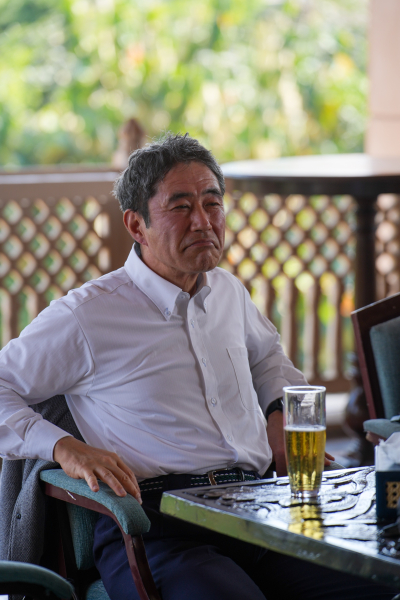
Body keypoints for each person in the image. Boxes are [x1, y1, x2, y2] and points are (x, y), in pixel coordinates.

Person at [0, 134, 396, 600]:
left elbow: (268, 357)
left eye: (212, 203)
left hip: (260, 509)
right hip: (160, 526)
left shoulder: (228, 293)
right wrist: (65, 448)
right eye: (182, 207)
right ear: (136, 224)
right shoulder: (88, 315)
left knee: (381, 580)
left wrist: (277, 413)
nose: (204, 222)